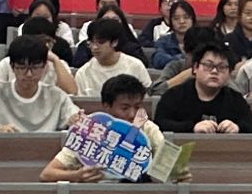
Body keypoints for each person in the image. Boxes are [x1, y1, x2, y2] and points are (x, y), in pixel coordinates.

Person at [41, 75, 179, 183]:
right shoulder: (91, 131)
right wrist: (76, 176)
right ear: (107, 106)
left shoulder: (148, 128)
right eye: (125, 108)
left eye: (137, 107)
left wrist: (179, 174)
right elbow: (47, 174)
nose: (132, 114)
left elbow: (171, 165)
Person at [0, 37, 82, 134]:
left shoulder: (57, 95)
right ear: (12, 67)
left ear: (44, 67)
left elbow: (76, 118)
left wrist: (75, 121)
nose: (29, 74)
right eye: (22, 67)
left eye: (35, 67)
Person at [152, 43, 252, 134]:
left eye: (221, 67)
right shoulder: (174, 95)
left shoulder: (235, 98)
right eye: (208, 65)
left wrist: (237, 127)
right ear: (195, 68)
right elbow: (160, 124)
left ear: (229, 73)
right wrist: (192, 127)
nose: (214, 71)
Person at [0, 17, 79, 96]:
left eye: (49, 42)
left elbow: (72, 92)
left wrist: (55, 60)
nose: (46, 45)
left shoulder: (59, 64)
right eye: (41, 41)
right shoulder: (9, 62)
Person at [73, 18, 149, 96]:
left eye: (100, 42)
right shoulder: (83, 73)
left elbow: (146, 98)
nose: (94, 47)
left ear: (114, 42)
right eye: (91, 42)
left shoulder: (135, 66)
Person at [148, 1, 198, 77]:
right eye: (176, 18)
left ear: (193, 19)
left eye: (186, 17)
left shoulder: (202, 39)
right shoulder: (163, 41)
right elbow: (158, 60)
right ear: (171, 21)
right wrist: (183, 59)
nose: (182, 21)